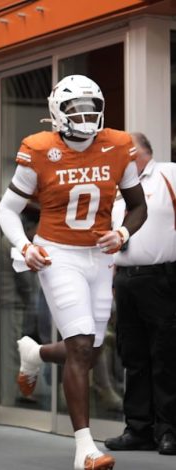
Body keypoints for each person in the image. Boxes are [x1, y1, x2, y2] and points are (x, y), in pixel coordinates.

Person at [0, 74, 147, 470]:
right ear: (57, 113)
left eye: (90, 108)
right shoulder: (39, 148)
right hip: (58, 254)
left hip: (99, 256)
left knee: (92, 350)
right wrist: (25, 246)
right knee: (80, 345)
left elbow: (138, 205)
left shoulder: (118, 145)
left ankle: (35, 353)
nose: (84, 116)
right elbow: (7, 209)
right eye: (75, 109)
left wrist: (122, 233)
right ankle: (85, 448)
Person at [104, 132, 176, 455]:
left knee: (165, 356)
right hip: (124, 279)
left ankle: (168, 430)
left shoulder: (168, 174)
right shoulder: (117, 187)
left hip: (160, 277)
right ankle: (138, 428)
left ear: (134, 152)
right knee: (132, 356)